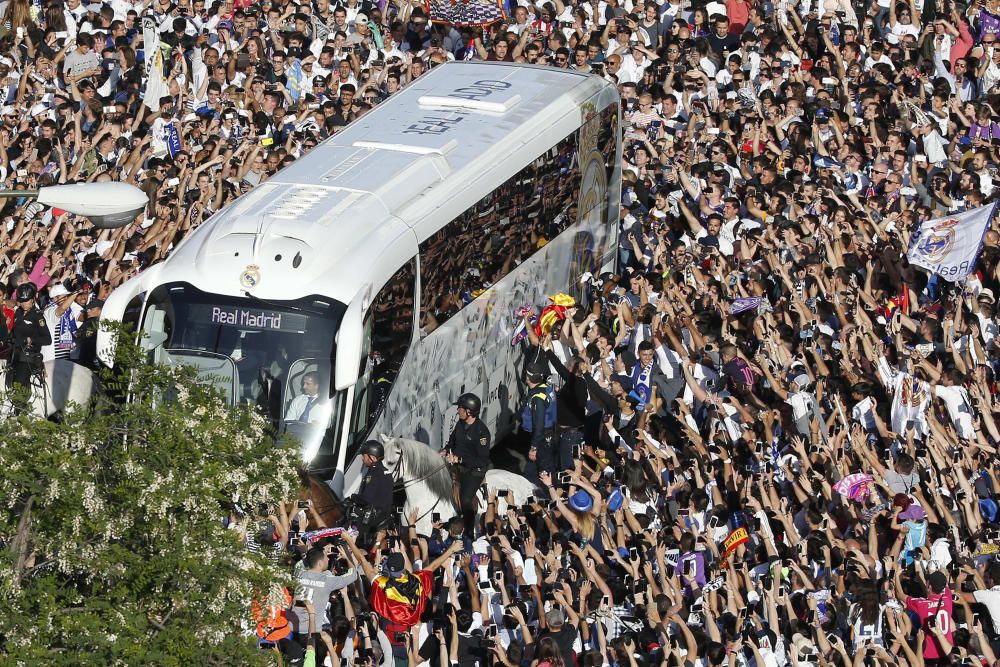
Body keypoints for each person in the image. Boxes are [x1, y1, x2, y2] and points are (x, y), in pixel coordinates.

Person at [443, 392, 491, 536]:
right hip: (458, 467)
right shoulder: (460, 424)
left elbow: (482, 459)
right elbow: (452, 442)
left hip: (474, 471)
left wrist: (460, 460)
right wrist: (445, 450)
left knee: (465, 499)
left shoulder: (482, 432)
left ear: (469, 412)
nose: (458, 411)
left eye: (461, 409)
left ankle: (469, 531)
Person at [7, 283, 50, 394]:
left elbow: (47, 339)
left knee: (18, 386)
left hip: (29, 357)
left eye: (26, 301)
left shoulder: (38, 316)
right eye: (21, 301)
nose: (24, 304)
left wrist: (32, 340)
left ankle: (20, 408)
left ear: (33, 299)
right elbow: (14, 332)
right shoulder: (18, 313)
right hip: (14, 354)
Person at [521, 361, 556, 483]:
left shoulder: (538, 398)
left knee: (539, 473)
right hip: (548, 435)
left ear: (528, 377)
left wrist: (534, 447)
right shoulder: (546, 388)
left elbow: (539, 425)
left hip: (541, 439)